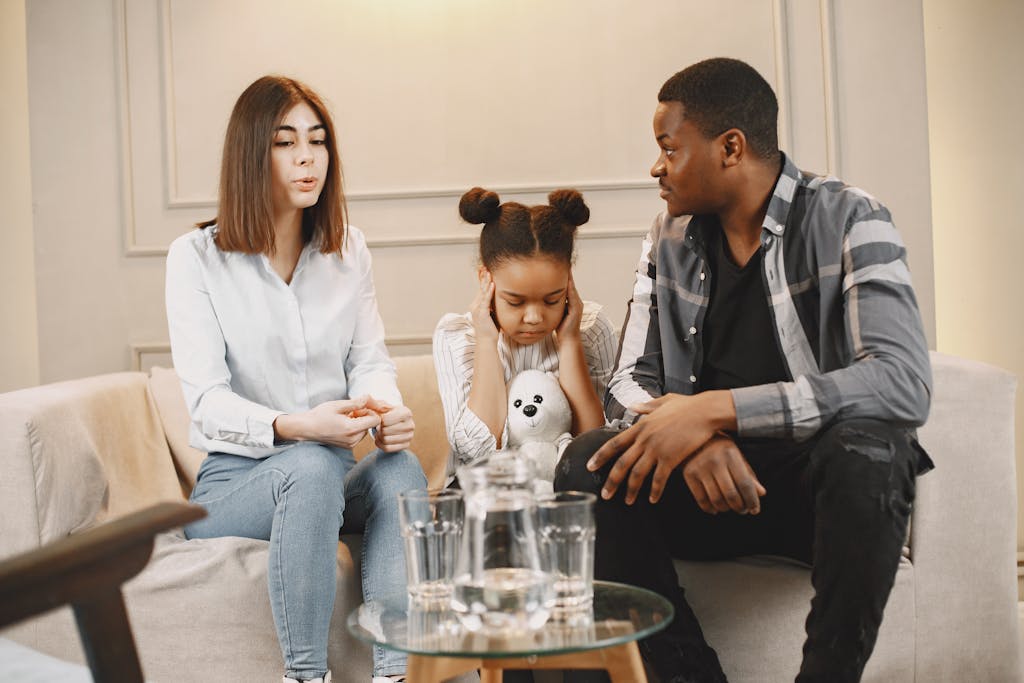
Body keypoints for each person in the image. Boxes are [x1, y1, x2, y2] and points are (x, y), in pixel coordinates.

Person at [555, 58, 933, 683]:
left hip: (816, 495)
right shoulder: (667, 235)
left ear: (730, 147)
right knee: (588, 461)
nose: (657, 167)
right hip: (703, 487)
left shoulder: (849, 218)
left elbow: (901, 382)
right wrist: (694, 436)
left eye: (669, 149)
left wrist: (716, 409)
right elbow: (628, 381)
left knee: (873, 449)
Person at [165, 75, 424, 683]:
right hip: (235, 485)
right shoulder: (196, 258)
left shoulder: (348, 249)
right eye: (285, 142)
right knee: (307, 464)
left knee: (402, 470)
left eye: (317, 140)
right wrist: (293, 426)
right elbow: (205, 405)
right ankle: (306, 677)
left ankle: (397, 675)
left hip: (332, 474)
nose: (307, 157)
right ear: (252, 153)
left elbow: (369, 359)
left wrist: (385, 409)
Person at [432, 188, 618, 487]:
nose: (534, 317)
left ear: (568, 282)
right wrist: (485, 341)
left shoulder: (591, 330)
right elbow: (476, 452)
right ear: (485, 280)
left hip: (564, 492)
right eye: (515, 302)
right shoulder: (456, 337)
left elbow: (593, 447)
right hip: (485, 493)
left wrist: (569, 341)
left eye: (552, 300)